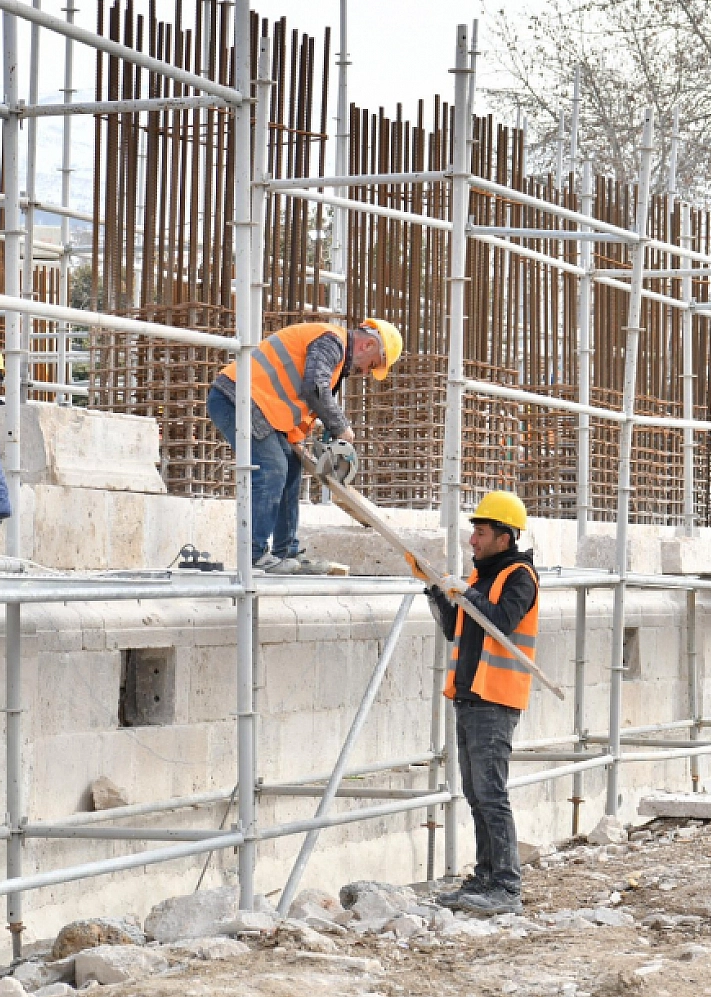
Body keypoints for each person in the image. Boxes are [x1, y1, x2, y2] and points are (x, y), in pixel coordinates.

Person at [417, 491, 539, 917]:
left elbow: (501, 622)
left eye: (481, 533)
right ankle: (485, 877)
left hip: (495, 699)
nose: (473, 540)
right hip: (469, 696)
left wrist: (463, 592)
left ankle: (506, 885)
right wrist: (436, 589)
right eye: (474, 532)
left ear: (504, 537)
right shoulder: (481, 578)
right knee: (474, 792)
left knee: (491, 792)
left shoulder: (519, 575)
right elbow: (456, 628)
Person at [206, 317, 403, 573]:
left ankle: (286, 553)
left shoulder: (336, 354)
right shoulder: (331, 343)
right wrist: (340, 426)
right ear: (367, 345)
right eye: (372, 365)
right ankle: (253, 556)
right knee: (273, 468)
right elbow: (314, 387)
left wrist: (300, 441)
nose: (365, 373)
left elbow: (300, 395)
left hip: (260, 406)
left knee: (290, 465)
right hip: (236, 397)